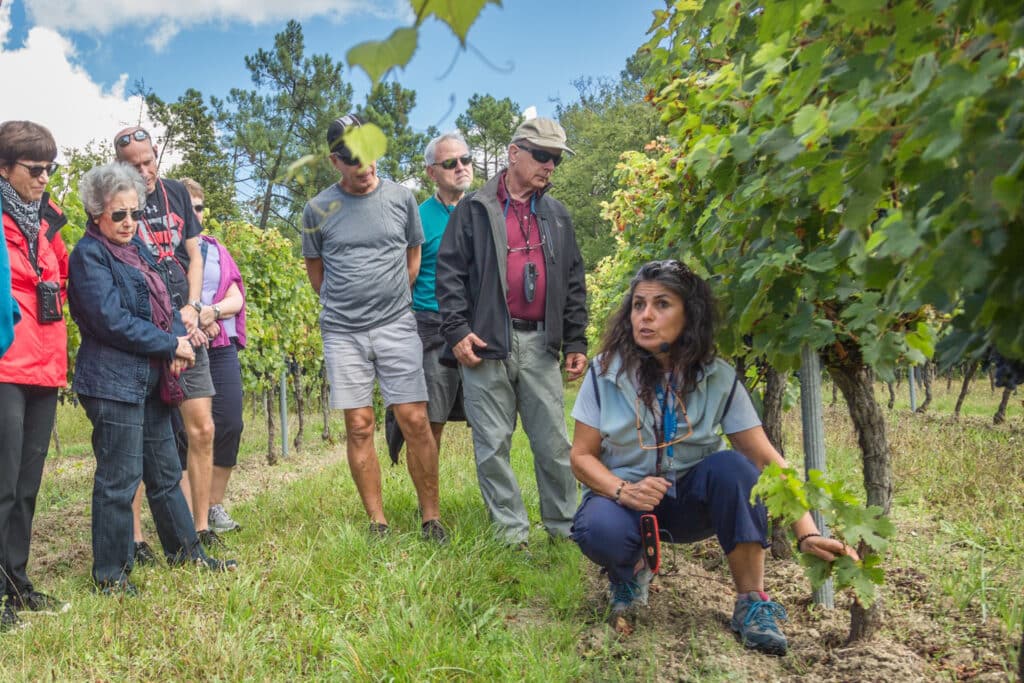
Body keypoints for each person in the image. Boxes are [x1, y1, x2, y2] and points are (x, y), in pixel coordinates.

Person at [568, 259, 856, 655]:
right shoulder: (604, 373)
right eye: (638, 305)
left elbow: (765, 459)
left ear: (690, 316)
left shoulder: (718, 378)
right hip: (625, 503)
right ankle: (629, 574)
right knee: (597, 528)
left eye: (662, 304)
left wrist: (805, 531)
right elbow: (581, 457)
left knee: (736, 468)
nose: (645, 316)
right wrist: (622, 490)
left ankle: (752, 602)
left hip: (691, 503)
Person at [68, 162, 236, 595]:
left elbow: (167, 299)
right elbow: (110, 320)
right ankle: (111, 575)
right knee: (119, 480)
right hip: (112, 383)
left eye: (134, 213)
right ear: (95, 214)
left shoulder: (138, 251)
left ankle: (187, 553)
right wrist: (168, 345)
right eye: (117, 215)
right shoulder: (89, 255)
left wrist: (179, 340)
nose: (128, 223)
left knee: (164, 473)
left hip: (149, 381)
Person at [436, 118, 588, 546]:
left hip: (542, 343)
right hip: (486, 345)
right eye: (542, 155)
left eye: (556, 158)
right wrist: (457, 331)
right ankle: (511, 536)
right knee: (492, 445)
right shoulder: (475, 209)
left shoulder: (557, 215)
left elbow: (574, 280)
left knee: (554, 444)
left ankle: (565, 530)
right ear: (514, 152)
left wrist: (575, 339)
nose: (550, 166)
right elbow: (448, 275)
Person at [302, 114, 447, 543]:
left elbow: (413, 258)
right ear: (335, 162)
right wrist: (348, 306)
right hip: (343, 332)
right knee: (360, 424)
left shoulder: (402, 199)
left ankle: (431, 518)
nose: (364, 167)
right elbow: (317, 275)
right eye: (352, 160)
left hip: (397, 324)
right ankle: (377, 522)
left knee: (414, 418)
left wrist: (389, 301)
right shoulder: (317, 209)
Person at [114, 127, 222, 556]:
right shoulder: (118, 201)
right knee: (140, 435)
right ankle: (137, 538)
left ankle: (198, 528)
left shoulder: (177, 192)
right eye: (134, 165)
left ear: (157, 154)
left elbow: (194, 255)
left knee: (203, 428)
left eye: (148, 160)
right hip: (148, 330)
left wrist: (194, 306)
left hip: (189, 325)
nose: (144, 170)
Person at [0, 120, 70, 629]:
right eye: (34, 168)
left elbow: (61, 278)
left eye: (50, 168)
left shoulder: (47, 225)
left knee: (26, 486)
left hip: (45, 364)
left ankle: (16, 586)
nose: (45, 177)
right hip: (5, 362)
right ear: (4, 169)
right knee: (2, 485)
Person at [386, 132, 473, 462]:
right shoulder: (417, 218)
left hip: (478, 330)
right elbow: (402, 280)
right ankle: (429, 509)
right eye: (450, 163)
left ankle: (498, 506)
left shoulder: (483, 212)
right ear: (431, 172)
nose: (461, 167)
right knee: (429, 424)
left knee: (490, 422)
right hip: (433, 330)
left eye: (465, 159)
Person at [183, 177, 246, 533]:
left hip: (219, 344)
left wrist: (213, 311)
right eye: (188, 207)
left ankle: (213, 505)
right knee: (188, 432)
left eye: (199, 207)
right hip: (183, 345)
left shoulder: (215, 248)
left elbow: (236, 298)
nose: (195, 213)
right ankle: (189, 512)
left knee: (230, 423)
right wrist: (194, 320)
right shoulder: (165, 250)